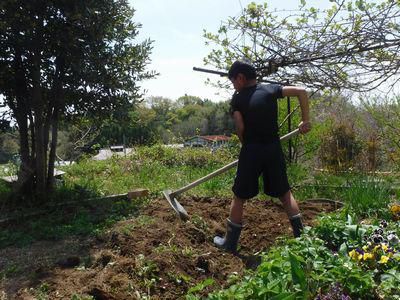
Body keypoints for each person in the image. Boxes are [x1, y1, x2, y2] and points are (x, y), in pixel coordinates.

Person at [214, 60, 311, 253]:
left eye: (233, 81)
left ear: (240, 78)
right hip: (273, 148)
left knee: (239, 196)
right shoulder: (270, 90)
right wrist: (306, 120)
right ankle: (303, 240)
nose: (233, 85)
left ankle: (229, 244)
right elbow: (301, 91)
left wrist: (247, 146)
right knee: (284, 193)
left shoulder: (238, 99)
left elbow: (240, 127)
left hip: (251, 150)